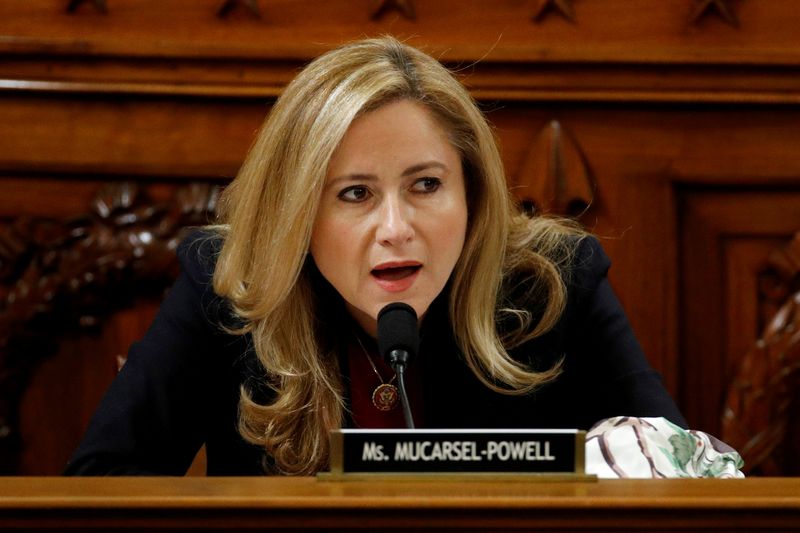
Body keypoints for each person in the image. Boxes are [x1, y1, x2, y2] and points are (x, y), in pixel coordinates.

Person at [64, 36, 686, 476]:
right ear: (298, 213)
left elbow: (678, 475)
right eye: (355, 194)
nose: (396, 228)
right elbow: (103, 484)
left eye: (426, 185)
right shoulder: (232, 287)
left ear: (470, 192)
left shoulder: (553, 283)